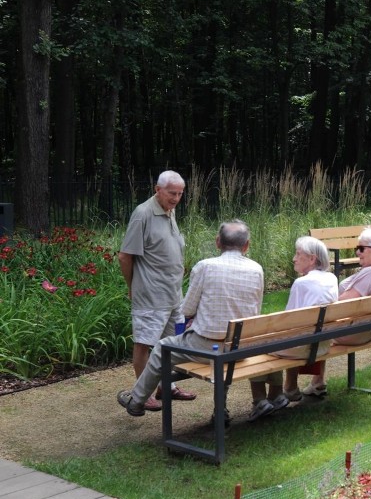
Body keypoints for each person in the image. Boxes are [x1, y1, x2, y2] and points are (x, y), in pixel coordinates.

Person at [117, 220, 264, 418]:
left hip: (206, 347)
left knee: (162, 347)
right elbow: (256, 309)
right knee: (225, 347)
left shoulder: (205, 267)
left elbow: (186, 309)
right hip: (241, 348)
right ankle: (220, 411)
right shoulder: (256, 269)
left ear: (218, 242)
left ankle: (136, 400)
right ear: (246, 245)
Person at [285, 227, 371, 401]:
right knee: (319, 325)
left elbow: (338, 305)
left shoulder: (370, 274)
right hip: (367, 330)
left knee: (310, 330)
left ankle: (290, 387)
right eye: (356, 249)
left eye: (361, 248)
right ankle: (318, 381)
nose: (357, 253)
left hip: (353, 334)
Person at [118, 170, 195, 411]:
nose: (176, 198)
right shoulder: (143, 214)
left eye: (180, 194)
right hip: (150, 295)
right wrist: (133, 288)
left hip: (173, 295)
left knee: (172, 342)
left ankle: (166, 387)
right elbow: (124, 256)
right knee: (144, 343)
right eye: (172, 193)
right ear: (157, 189)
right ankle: (144, 393)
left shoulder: (169, 211)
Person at [246, 236, 338, 421]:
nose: (294, 258)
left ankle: (266, 398)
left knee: (253, 345)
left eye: (298, 254)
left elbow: (288, 321)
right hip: (323, 344)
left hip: (303, 347)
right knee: (280, 339)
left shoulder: (302, 283)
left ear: (312, 259)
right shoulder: (331, 277)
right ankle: (283, 392)